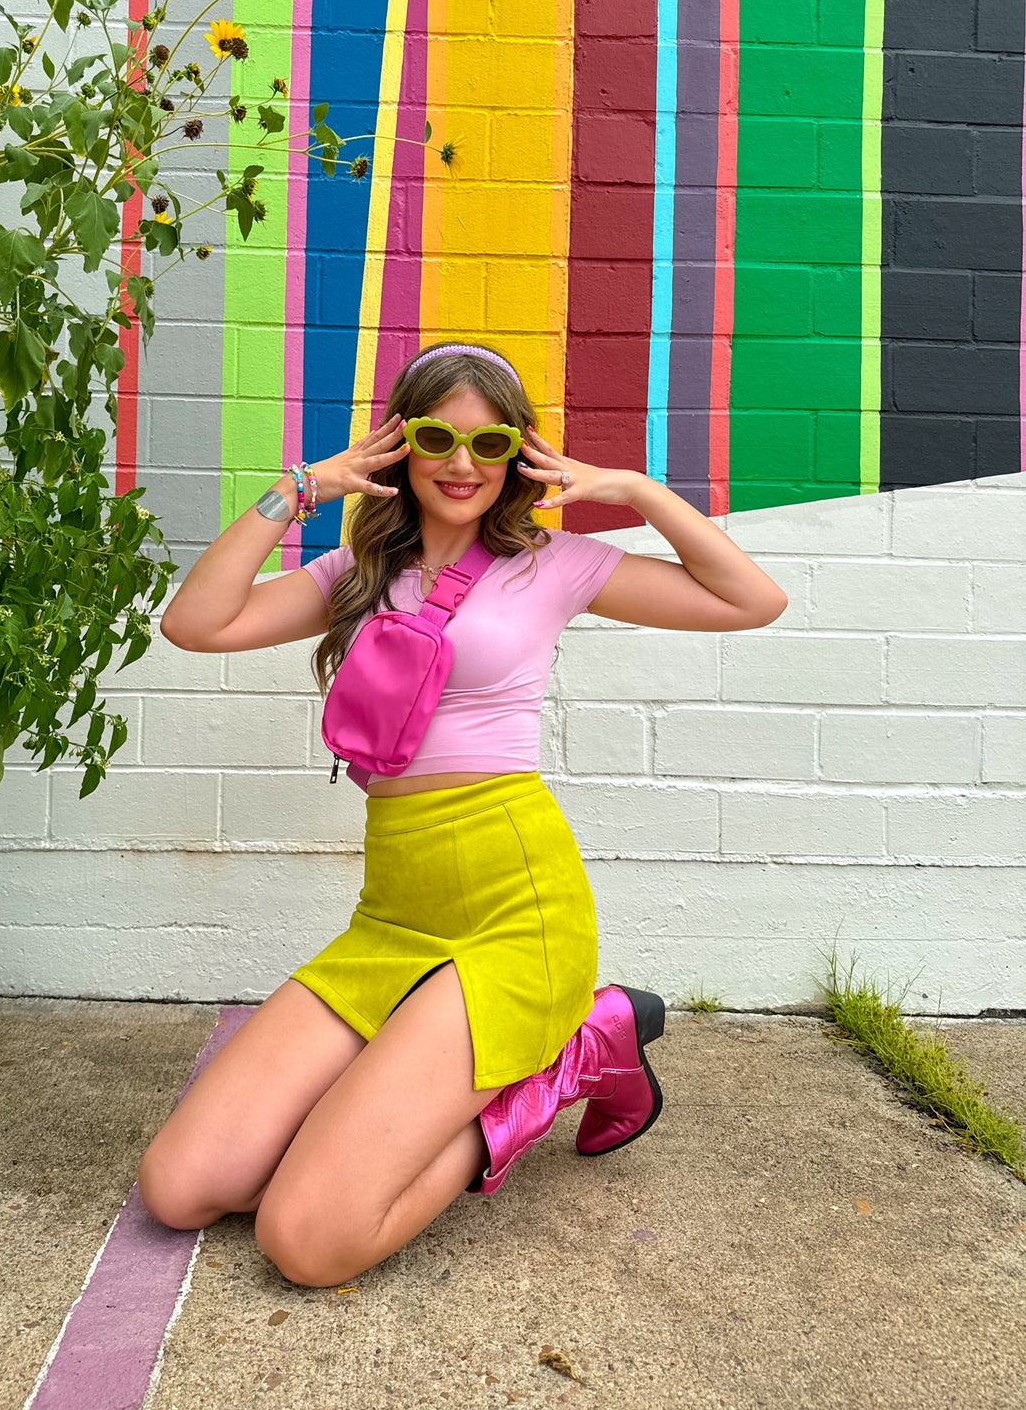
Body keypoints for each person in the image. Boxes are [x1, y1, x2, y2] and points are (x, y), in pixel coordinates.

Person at [138, 341, 788, 1287]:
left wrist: (635, 490)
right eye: (439, 438)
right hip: (395, 915)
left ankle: (564, 1063)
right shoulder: (359, 573)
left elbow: (752, 601)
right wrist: (300, 488)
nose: (462, 464)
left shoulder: (551, 566)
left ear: (517, 455)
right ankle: (462, 1071)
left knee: (306, 1241)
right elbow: (195, 624)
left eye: (491, 445)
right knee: (181, 1187)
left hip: (512, 912)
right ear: (402, 444)